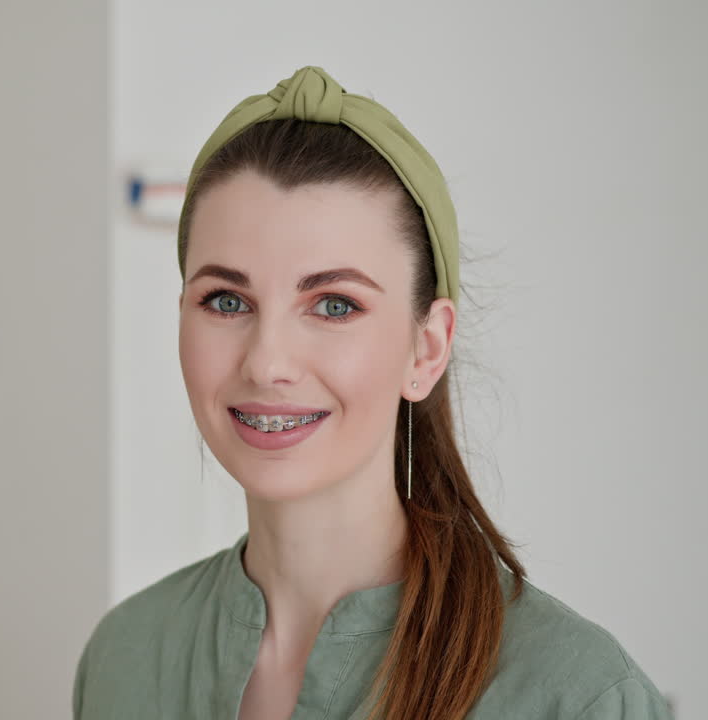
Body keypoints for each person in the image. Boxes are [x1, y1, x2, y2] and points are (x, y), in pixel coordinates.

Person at [72, 67, 672, 720]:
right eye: (226, 299)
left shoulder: (578, 698)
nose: (268, 362)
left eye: (333, 304)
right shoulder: (124, 659)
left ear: (428, 347)